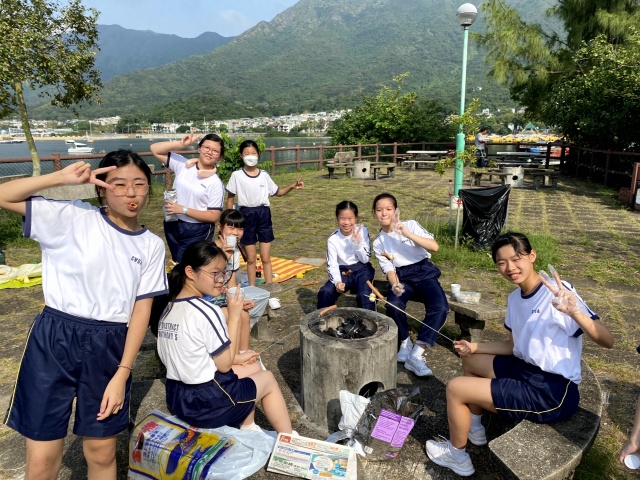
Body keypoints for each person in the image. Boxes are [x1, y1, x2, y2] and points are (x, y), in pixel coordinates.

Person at [0, 151, 169, 480]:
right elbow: (4, 195)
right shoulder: (70, 216)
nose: (131, 193)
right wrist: (60, 178)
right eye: (119, 184)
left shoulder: (151, 245)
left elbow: (141, 311)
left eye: (139, 184)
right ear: (101, 188)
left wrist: (122, 373)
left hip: (110, 346)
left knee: (102, 452)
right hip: (55, 339)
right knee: (42, 459)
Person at [426, 232, 614, 477]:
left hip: (553, 392)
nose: (510, 268)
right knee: (471, 360)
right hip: (526, 370)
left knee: (455, 388)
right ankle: (474, 427)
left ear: (532, 256)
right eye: (501, 262)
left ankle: (457, 456)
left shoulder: (557, 292)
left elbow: (607, 341)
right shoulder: (515, 298)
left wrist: (575, 312)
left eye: (516, 259)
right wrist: (473, 347)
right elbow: (512, 346)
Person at [156, 241, 293, 434]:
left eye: (223, 273)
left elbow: (195, 356)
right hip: (206, 403)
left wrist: (239, 358)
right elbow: (224, 366)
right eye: (215, 273)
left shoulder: (169, 308)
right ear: (190, 272)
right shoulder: (207, 311)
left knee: (253, 367)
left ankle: (248, 427)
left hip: (178, 397)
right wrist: (234, 316)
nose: (221, 280)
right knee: (268, 379)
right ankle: (288, 440)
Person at [371, 193, 449, 377]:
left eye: (388, 209)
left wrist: (405, 232)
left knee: (440, 307)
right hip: (402, 276)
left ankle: (418, 352)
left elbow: (434, 247)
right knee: (394, 305)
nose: (384, 213)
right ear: (374, 213)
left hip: (424, 272)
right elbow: (389, 270)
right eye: (379, 210)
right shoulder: (378, 242)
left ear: (395, 211)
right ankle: (405, 341)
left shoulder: (411, 225)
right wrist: (395, 285)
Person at [225, 139, 304, 288]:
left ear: (258, 155)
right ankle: (252, 288)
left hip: (263, 215)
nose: (250, 156)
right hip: (245, 215)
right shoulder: (236, 175)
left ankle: (270, 286)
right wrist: (229, 222)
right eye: (247, 153)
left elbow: (278, 192)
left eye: (253, 153)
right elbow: (230, 199)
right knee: (250, 258)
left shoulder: (264, 175)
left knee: (266, 257)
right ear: (241, 155)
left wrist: (292, 186)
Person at [150, 131, 225, 262]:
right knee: (177, 262)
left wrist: (183, 210)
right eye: (206, 148)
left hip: (197, 229)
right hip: (173, 222)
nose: (209, 152)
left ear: (220, 156)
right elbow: (155, 149)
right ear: (199, 148)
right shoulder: (183, 165)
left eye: (215, 151)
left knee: (190, 264)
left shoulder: (215, 183)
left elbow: (214, 216)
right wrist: (181, 144)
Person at [210, 209, 270, 353]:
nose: (236, 233)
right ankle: (233, 355)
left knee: (245, 314)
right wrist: (225, 257)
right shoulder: (210, 249)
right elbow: (209, 283)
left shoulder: (235, 250)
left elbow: (231, 283)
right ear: (220, 227)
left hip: (222, 297)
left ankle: (243, 352)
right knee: (236, 316)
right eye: (231, 227)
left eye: (240, 229)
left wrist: (237, 302)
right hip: (209, 298)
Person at [317, 200, 375, 311]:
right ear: (337, 219)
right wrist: (338, 281)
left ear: (356, 218)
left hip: (362, 269)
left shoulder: (362, 231)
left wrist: (357, 244)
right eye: (342, 218)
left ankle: (368, 319)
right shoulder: (333, 239)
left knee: (365, 294)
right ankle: (323, 319)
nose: (346, 222)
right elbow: (332, 265)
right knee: (325, 292)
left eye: (350, 218)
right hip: (343, 271)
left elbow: (365, 259)